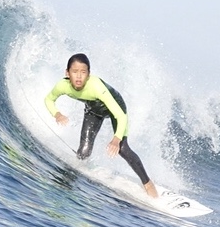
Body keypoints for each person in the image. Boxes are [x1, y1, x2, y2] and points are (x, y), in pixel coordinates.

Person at [44, 53, 159, 199]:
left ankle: (148, 183)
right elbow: (48, 99)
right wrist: (57, 114)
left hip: (115, 108)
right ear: (67, 73)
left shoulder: (96, 86)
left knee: (122, 149)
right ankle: (69, 187)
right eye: (74, 72)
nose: (78, 76)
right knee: (83, 151)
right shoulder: (63, 86)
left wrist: (116, 139)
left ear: (88, 74)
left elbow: (121, 116)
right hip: (93, 110)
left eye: (83, 72)